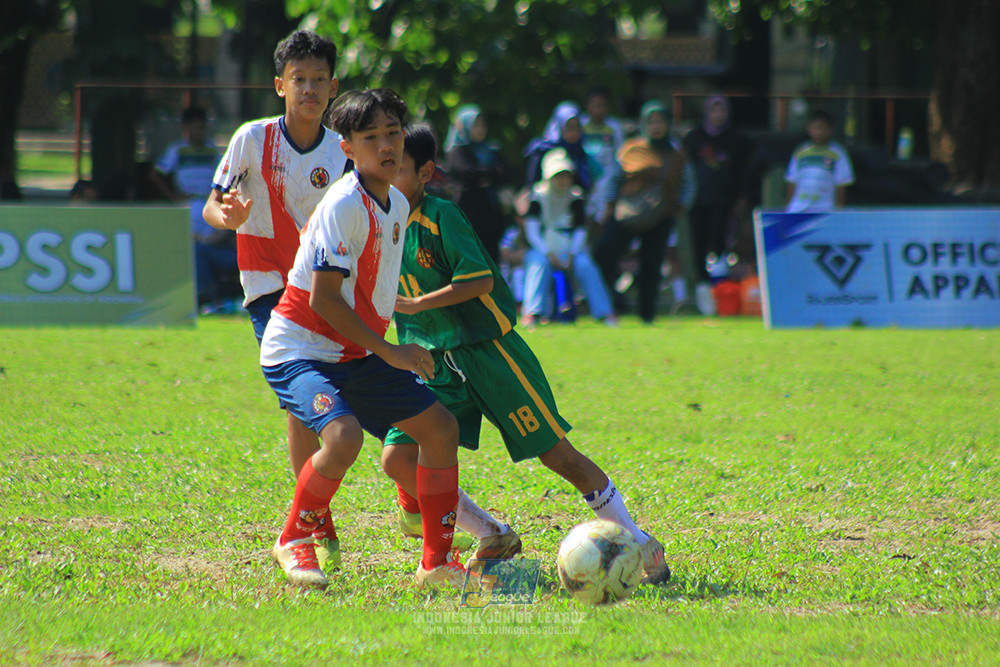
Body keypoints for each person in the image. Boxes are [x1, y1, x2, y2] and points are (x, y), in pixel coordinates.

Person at [383, 123, 670, 586]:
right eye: (381, 164)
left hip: (489, 353)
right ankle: (492, 534)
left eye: (397, 167)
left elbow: (479, 279)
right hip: (433, 361)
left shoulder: (442, 216)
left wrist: (418, 304)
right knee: (398, 459)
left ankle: (639, 542)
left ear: (425, 173)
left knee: (558, 456)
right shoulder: (379, 221)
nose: (385, 174)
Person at [259, 89, 468, 590]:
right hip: (299, 351)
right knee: (343, 436)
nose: (386, 145)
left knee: (440, 429)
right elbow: (324, 300)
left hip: (354, 353)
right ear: (347, 148)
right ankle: (294, 538)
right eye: (371, 137)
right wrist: (391, 352)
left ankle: (436, 564)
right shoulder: (344, 204)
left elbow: (373, 291)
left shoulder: (396, 203)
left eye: (393, 133)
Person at [202, 29, 349, 566]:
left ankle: (318, 510)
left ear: (333, 87)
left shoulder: (342, 151)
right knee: (303, 394)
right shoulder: (252, 139)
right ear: (279, 85)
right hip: (269, 289)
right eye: (298, 79)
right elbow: (212, 207)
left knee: (332, 398)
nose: (309, 89)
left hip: (327, 291)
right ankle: (313, 520)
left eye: (318, 80)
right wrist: (229, 217)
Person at [593, 100, 696, 324]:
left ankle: (647, 315)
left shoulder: (677, 155)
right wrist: (609, 205)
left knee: (651, 264)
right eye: (651, 122)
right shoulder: (631, 148)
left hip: (661, 216)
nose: (656, 127)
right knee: (604, 255)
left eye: (660, 122)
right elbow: (615, 178)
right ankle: (608, 306)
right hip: (626, 213)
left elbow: (688, 184)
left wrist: (679, 208)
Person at [150, 106, 238, 310]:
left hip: (209, 205)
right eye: (194, 128)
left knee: (205, 247)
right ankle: (201, 295)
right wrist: (173, 197)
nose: (198, 132)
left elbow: (226, 179)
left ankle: (211, 296)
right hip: (188, 206)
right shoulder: (177, 150)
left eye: (201, 128)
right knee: (192, 249)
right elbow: (156, 174)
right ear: (186, 129)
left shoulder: (212, 152)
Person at [520, 148, 615, 327]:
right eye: (558, 176)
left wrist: (572, 253)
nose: (562, 180)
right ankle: (533, 313)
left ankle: (604, 314)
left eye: (566, 175)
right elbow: (532, 232)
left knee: (586, 265)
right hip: (544, 250)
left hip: (570, 250)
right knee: (538, 264)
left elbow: (580, 230)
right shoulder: (537, 197)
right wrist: (548, 253)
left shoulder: (576, 197)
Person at [682, 94, 752, 290]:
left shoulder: (736, 139)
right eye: (714, 110)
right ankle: (701, 283)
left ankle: (720, 283)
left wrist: (743, 195)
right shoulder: (694, 138)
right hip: (698, 199)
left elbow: (743, 170)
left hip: (724, 199)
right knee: (698, 241)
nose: (718, 115)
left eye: (722, 110)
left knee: (720, 239)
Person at [443, 104, 511, 264]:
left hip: (490, 215)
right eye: (475, 125)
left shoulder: (491, 149)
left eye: (482, 125)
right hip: (467, 213)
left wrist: (483, 175)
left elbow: (504, 172)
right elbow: (466, 172)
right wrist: (489, 173)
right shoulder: (457, 150)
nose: (480, 129)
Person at [784, 109, 855, 213]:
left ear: (831, 130)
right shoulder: (800, 152)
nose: (819, 133)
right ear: (808, 129)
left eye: (823, 129)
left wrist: (838, 211)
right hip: (799, 208)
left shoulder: (838, 154)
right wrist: (788, 208)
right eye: (815, 128)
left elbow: (841, 185)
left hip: (825, 209)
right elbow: (792, 181)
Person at [523, 102, 595, 195]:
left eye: (577, 127)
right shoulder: (543, 150)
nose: (573, 132)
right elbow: (532, 183)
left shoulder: (581, 152)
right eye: (569, 127)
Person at [580, 86, 626, 224]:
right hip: (585, 175)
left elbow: (620, 153)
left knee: (603, 216)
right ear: (587, 106)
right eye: (595, 105)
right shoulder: (581, 124)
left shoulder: (614, 126)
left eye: (602, 106)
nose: (598, 110)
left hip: (607, 177)